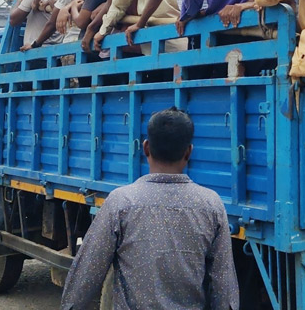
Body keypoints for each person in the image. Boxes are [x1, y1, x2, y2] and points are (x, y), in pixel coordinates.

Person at [60, 108, 238, 310]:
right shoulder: (211, 205)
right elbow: (224, 287)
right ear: (188, 152)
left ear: (145, 148)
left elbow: (87, 273)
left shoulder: (122, 202)